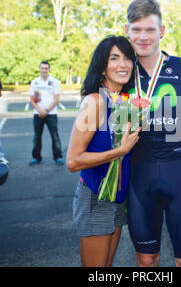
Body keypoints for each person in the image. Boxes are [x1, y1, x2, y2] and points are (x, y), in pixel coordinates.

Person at [124, 0, 181, 267]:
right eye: (137, 29)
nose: (143, 37)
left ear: (162, 31)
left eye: (150, 30)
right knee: (146, 260)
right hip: (138, 181)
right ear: (127, 30)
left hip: (180, 179)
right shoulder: (120, 71)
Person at [66, 36, 141, 267]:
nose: (123, 64)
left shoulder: (123, 102)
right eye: (114, 58)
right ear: (102, 66)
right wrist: (119, 151)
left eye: (128, 58)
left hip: (117, 198)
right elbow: (73, 161)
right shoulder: (96, 101)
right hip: (96, 196)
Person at [29, 61, 64, 166]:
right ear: (39, 69)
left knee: (55, 136)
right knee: (37, 137)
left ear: (49, 69)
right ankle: (36, 158)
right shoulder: (35, 82)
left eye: (46, 68)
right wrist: (40, 110)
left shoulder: (54, 82)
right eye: (42, 68)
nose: (44, 70)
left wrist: (47, 110)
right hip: (38, 114)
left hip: (51, 114)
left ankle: (58, 157)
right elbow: (32, 99)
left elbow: (56, 99)